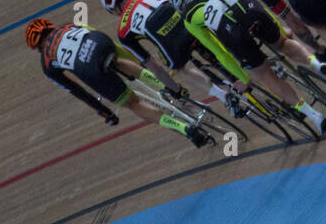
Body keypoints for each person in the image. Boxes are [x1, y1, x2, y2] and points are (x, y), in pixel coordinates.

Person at [172, 0, 326, 133]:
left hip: (232, 30)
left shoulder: (189, 18)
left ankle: (314, 115)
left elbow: (219, 52)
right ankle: (317, 64)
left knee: (264, 74)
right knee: (283, 44)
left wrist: (242, 79)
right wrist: (279, 30)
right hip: (252, 10)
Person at [24, 18, 210, 147]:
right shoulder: (68, 26)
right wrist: (142, 63)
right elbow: (117, 47)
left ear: (37, 49)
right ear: (50, 27)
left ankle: (185, 129)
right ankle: (169, 87)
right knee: (118, 59)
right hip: (100, 43)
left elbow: (76, 90)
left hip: (89, 69)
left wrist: (104, 111)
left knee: (133, 103)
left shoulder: (47, 64)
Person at [100, 0, 234, 110]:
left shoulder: (123, 31)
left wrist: (175, 89)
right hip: (189, 27)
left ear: (114, 10)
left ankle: (222, 96)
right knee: (202, 33)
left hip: (172, 46)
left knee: (179, 70)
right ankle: (234, 68)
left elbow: (151, 64)